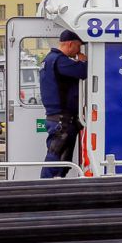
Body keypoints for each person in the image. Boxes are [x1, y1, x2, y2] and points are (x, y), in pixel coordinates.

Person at [39, 30, 88, 178]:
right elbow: (84, 71)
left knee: (62, 160)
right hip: (62, 120)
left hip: (58, 118)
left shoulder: (48, 60)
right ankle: (44, 187)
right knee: (56, 157)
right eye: (78, 46)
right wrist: (83, 61)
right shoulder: (60, 60)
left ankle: (56, 185)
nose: (79, 51)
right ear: (71, 44)